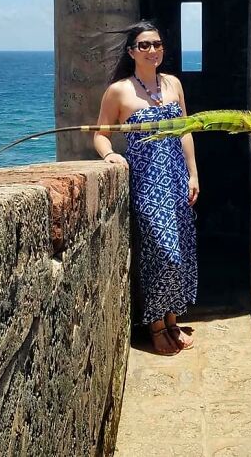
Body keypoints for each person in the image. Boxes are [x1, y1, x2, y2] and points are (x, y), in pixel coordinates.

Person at [93, 21, 199, 356]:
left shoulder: (173, 84)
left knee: (180, 254)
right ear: (131, 51)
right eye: (144, 45)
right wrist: (110, 155)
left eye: (156, 44)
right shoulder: (120, 91)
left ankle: (171, 321)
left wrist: (193, 175)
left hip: (177, 178)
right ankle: (155, 327)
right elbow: (100, 133)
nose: (152, 50)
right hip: (147, 183)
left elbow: (185, 131)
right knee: (160, 254)